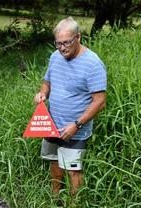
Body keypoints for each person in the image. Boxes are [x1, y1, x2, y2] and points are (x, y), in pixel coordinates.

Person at [34, 17, 107, 195]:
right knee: (53, 161)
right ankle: (55, 197)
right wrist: (43, 93)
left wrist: (77, 124)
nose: (62, 48)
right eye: (58, 43)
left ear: (78, 38)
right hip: (52, 124)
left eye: (66, 43)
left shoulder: (93, 64)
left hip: (76, 129)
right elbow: (47, 83)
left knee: (73, 169)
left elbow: (100, 102)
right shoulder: (55, 57)